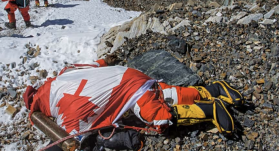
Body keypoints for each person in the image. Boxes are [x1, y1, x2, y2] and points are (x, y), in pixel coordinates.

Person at [23, 55, 244, 150]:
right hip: (131, 74)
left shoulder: (65, 112)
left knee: (159, 118)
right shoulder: (63, 74)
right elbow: (94, 64)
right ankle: (215, 89)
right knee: (167, 93)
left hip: (130, 92)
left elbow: (76, 141)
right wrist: (105, 60)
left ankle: (209, 108)